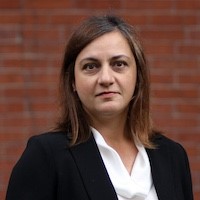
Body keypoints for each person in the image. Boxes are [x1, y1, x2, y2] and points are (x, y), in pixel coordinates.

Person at [6, 15, 193, 200]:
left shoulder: (172, 157)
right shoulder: (46, 155)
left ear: (138, 76)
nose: (106, 78)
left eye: (119, 64)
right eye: (90, 66)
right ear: (72, 81)